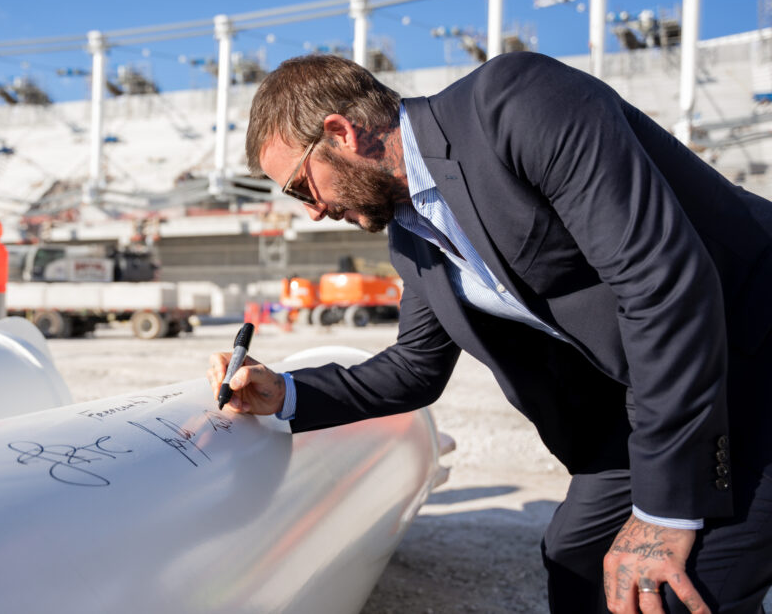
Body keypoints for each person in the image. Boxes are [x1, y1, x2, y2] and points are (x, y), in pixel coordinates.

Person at [206, 52, 772, 614]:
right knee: (576, 558)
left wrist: (662, 513)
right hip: (653, 395)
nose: (313, 212)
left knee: (670, 591)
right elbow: (415, 368)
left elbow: (661, 284)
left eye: (302, 189)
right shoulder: (411, 237)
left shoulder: (516, 104)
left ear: (340, 133)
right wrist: (285, 393)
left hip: (753, 349)